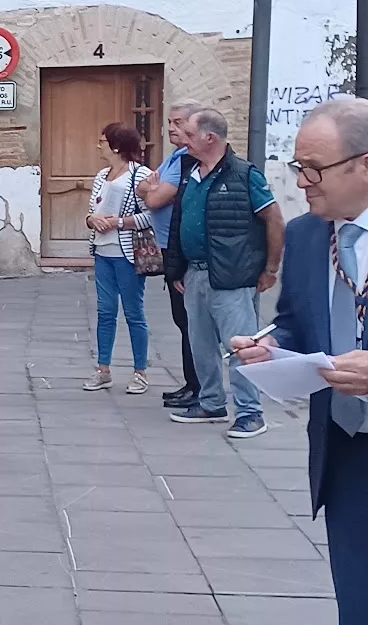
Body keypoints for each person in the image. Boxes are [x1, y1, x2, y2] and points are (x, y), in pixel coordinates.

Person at [232, 98, 368, 625]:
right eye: (297, 166)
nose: (301, 181)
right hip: (353, 458)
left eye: (313, 168)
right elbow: (295, 320)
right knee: (366, 619)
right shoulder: (310, 235)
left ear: (366, 166)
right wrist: (271, 346)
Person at [164, 108, 283, 438]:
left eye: (189, 135)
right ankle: (212, 402)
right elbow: (179, 224)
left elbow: (274, 220)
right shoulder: (192, 174)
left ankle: (250, 412)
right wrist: (178, 267)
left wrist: (270, 268)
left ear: (209, 137)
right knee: (200, 343)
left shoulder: (244, 175)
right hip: (195, 272)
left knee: (241, 345)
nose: (182, 140)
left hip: (232, 274)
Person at [142, 100, 208, 409]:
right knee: (182, 320)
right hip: (169, 246)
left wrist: (151, 191)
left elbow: (155, 199)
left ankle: (200, 388)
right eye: (169, 122)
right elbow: (145, 187)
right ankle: (191, 383)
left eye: (179, 123)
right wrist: (149, 190)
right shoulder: (175, 157)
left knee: (191, 321)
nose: (171, 128)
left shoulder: (188, 162)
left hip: (181, 248)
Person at [82, 124, 153, 395]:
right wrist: (93, 220)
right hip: (102, 252)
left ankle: (140, 372)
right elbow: (91, 210)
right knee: (105, 312)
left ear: (116, 146)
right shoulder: (102, 175)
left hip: (127, 254)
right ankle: (103, 370)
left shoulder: (141, 175)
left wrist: (119, 222)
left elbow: (151, 215)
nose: (98, 145)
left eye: (102, 141)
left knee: (134, 313)